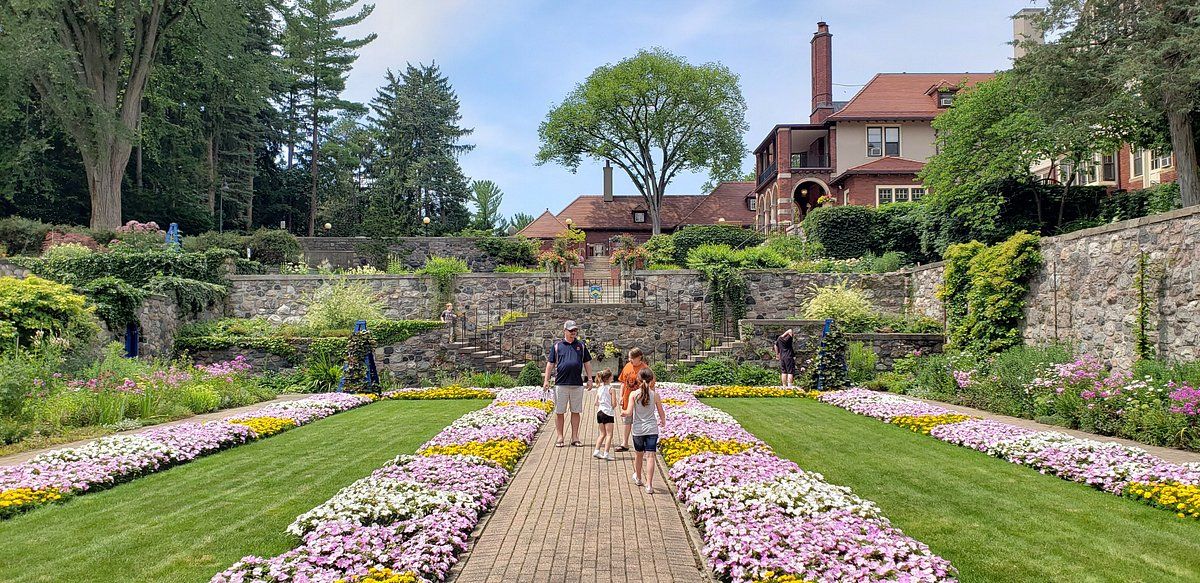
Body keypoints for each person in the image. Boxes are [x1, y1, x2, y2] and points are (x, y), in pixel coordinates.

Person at [543, 320, 593, 447]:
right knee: (560, 411)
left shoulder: (581, 346)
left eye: (575, 331)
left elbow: (587, 363)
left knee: (575, 411)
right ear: (565, 331)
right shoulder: (557, 346)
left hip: (577, 384)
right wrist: (546, 380)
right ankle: (560, 437)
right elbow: (550, 364)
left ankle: (575, 437)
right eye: (571, 331)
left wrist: (590, 379)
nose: (573, 333)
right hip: (561, 384)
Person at [622, 367, 666, 494]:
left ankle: (639, 477)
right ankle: (649, 485)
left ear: (638, 379)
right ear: (652, 380)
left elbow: (629, 412)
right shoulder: (655, 395)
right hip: (652, 428)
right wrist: (663, 421)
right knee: (651, 456)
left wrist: (623, 412)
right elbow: (661, 413)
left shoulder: (634, 394)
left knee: (639, 455)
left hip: (638, 430)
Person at [615, 347, 649, 452]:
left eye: (632, 358)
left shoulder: (645, 369)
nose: (630, 360)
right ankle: (624, 443)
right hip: (627, 399)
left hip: (640, 401)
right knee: (627, 421)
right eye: (629, 358)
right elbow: (623, 383)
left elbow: (650, 386)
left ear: (639, 357)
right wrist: (621, 396)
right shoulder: (627, 366)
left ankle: (642, 444)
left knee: (640, 422)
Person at [593, 369, 618, 461]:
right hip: (608, 413)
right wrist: (613, 406)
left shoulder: (599, 388)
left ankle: (596, 450)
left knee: (602, 434)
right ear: (609, 378)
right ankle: (606, 453)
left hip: (599, 412)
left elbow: (596, 402)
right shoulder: (611, 389)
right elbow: (614, 403)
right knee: (609, 434)